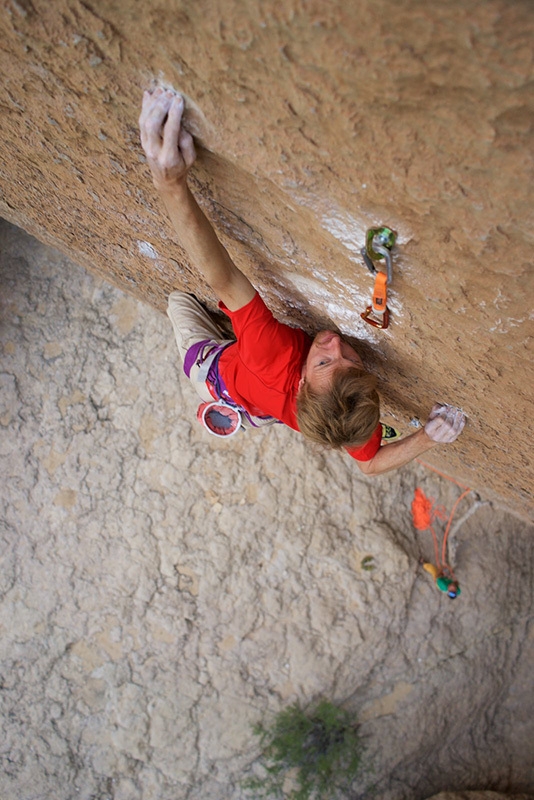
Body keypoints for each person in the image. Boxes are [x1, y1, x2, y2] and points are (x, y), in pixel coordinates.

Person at [138, 88, 466, 475]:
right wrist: (429, 436)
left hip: (214, 377)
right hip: (264, 405)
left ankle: (229, 381)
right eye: (352, 360)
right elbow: (370, 465)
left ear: (302, 387)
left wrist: (170, 185)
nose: (337, 343)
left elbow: (223, 277)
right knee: (253, 370)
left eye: (325, 360)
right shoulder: (345, 408)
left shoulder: (272, 355)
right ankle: (247, 400)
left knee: (179, 301)